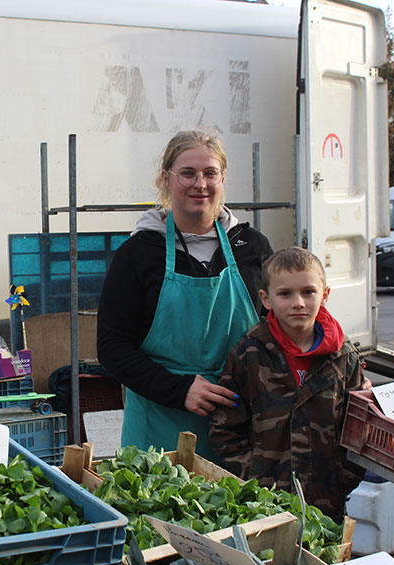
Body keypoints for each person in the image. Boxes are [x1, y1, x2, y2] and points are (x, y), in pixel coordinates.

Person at [96, 129, 273, 460]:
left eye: (210, 173)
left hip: (238, 430)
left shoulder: (252, 248)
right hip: (157, 430)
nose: (200, 184)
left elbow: (280, 328)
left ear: (223, 178)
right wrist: (180, 390)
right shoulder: (137, 254)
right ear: (166, 178)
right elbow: (111, 347)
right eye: (187, 173)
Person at [209, 247, 366, 520]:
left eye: (308, 292)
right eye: (285, 294)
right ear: (266, 299)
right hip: (263, 506)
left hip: (326, 505)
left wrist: (343, 478)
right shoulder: (248, 355)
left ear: (325, 295)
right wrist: (252, 481)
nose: (298, 303)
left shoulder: (344, 358)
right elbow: (225, 428)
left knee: (324, 560)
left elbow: (359, 429)